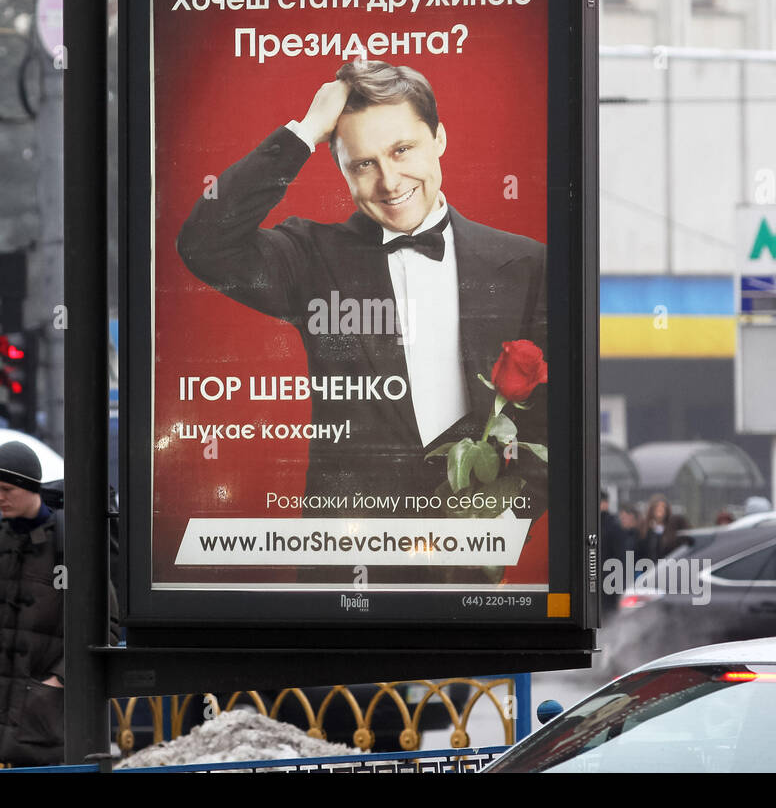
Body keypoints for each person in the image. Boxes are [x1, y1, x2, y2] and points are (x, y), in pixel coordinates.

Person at [176, 60, 548, 519]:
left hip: (470, 559)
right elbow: (204, 244)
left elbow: (551, 419)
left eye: (402, 150)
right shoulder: (312, 259)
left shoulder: (527, 264)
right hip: (345, 551)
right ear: (342, 170)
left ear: (440, 140)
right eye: (364, 163)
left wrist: (507, 521)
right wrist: (305, 132)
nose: (389, 182)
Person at [0, 441, 118, 767]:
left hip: (50, 710)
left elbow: (108, 621)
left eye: (6, 488)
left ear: (29, 485)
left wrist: (58, 681)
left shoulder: (69, 540)